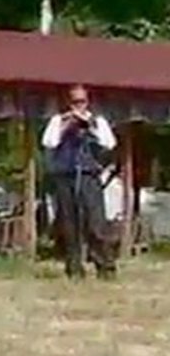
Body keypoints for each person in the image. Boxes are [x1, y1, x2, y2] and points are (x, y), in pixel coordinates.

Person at [41, 84, 117, 279]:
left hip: (89, 176)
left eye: (82, 101)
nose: (78, 106)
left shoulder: (98, 121)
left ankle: (105, 268)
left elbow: (109, 143)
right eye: (75, 102)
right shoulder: (58, 120)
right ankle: (74, 270)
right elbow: (49, 142)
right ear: (68, 102)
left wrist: (90, 127)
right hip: (66, 176)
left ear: (88, 102)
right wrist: (67, 125)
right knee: (70, 224)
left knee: (96, 223)